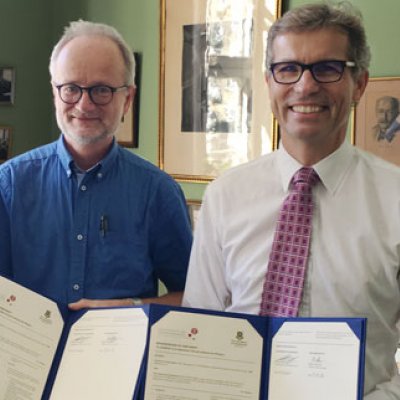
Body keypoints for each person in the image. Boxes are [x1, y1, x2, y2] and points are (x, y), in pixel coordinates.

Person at [183, 2, 400, 398]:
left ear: (360, 84)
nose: (305, 86)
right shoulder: (225, 196)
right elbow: (198, 329)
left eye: (328, 68)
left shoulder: (395, 200)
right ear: (268, 82)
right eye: (288, 69)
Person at [0, 20, 192, 310]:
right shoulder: (8, 185)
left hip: (122, 354)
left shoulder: (158, 192)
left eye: (101, 90)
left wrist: (130, 306)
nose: (84, 105)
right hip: (25, 355)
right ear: (55, 92)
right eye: (71, 88)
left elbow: (192, 297)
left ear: (128, 99)